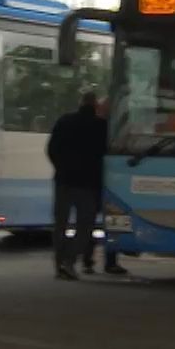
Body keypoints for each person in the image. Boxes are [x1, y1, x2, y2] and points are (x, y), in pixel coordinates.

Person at [46, 92, 112, 281]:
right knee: (85, 227)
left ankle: (59, 264)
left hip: (63, 181)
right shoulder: (102, 127)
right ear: (96, 106)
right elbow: (104, 156)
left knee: (60, 224)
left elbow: (51, 149)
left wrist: (61, 167)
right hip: (87, 184)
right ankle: (70, 260)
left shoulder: (64, 121)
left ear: (81, 103)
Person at [81, 95, 125, 276]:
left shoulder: (92, 127)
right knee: (109, 223)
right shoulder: (109, 129)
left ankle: (88, 261)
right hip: (106, 182)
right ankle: (109, 261)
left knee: (89, 223)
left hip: (91, 182)